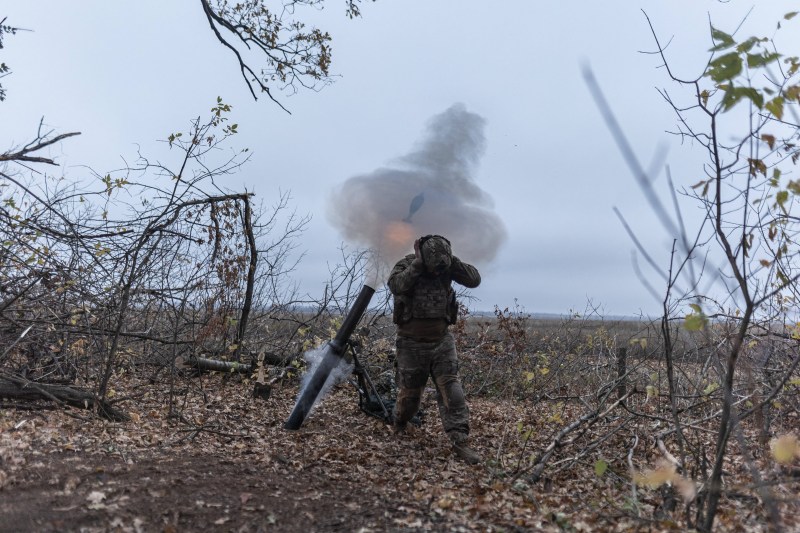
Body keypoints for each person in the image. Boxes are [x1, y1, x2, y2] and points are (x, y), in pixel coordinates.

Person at [387, 234, 482, 464]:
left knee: (452, 391)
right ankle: (399, 423)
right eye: (434, 265)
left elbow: (474, 279)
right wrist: (418, 264)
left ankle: (460, 441)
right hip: (411, 343)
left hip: (441, 341)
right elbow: (396, 285)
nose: (438, 272)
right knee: (410, 399)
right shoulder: (407, 264)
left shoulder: (448, 266)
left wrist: (452, 262)